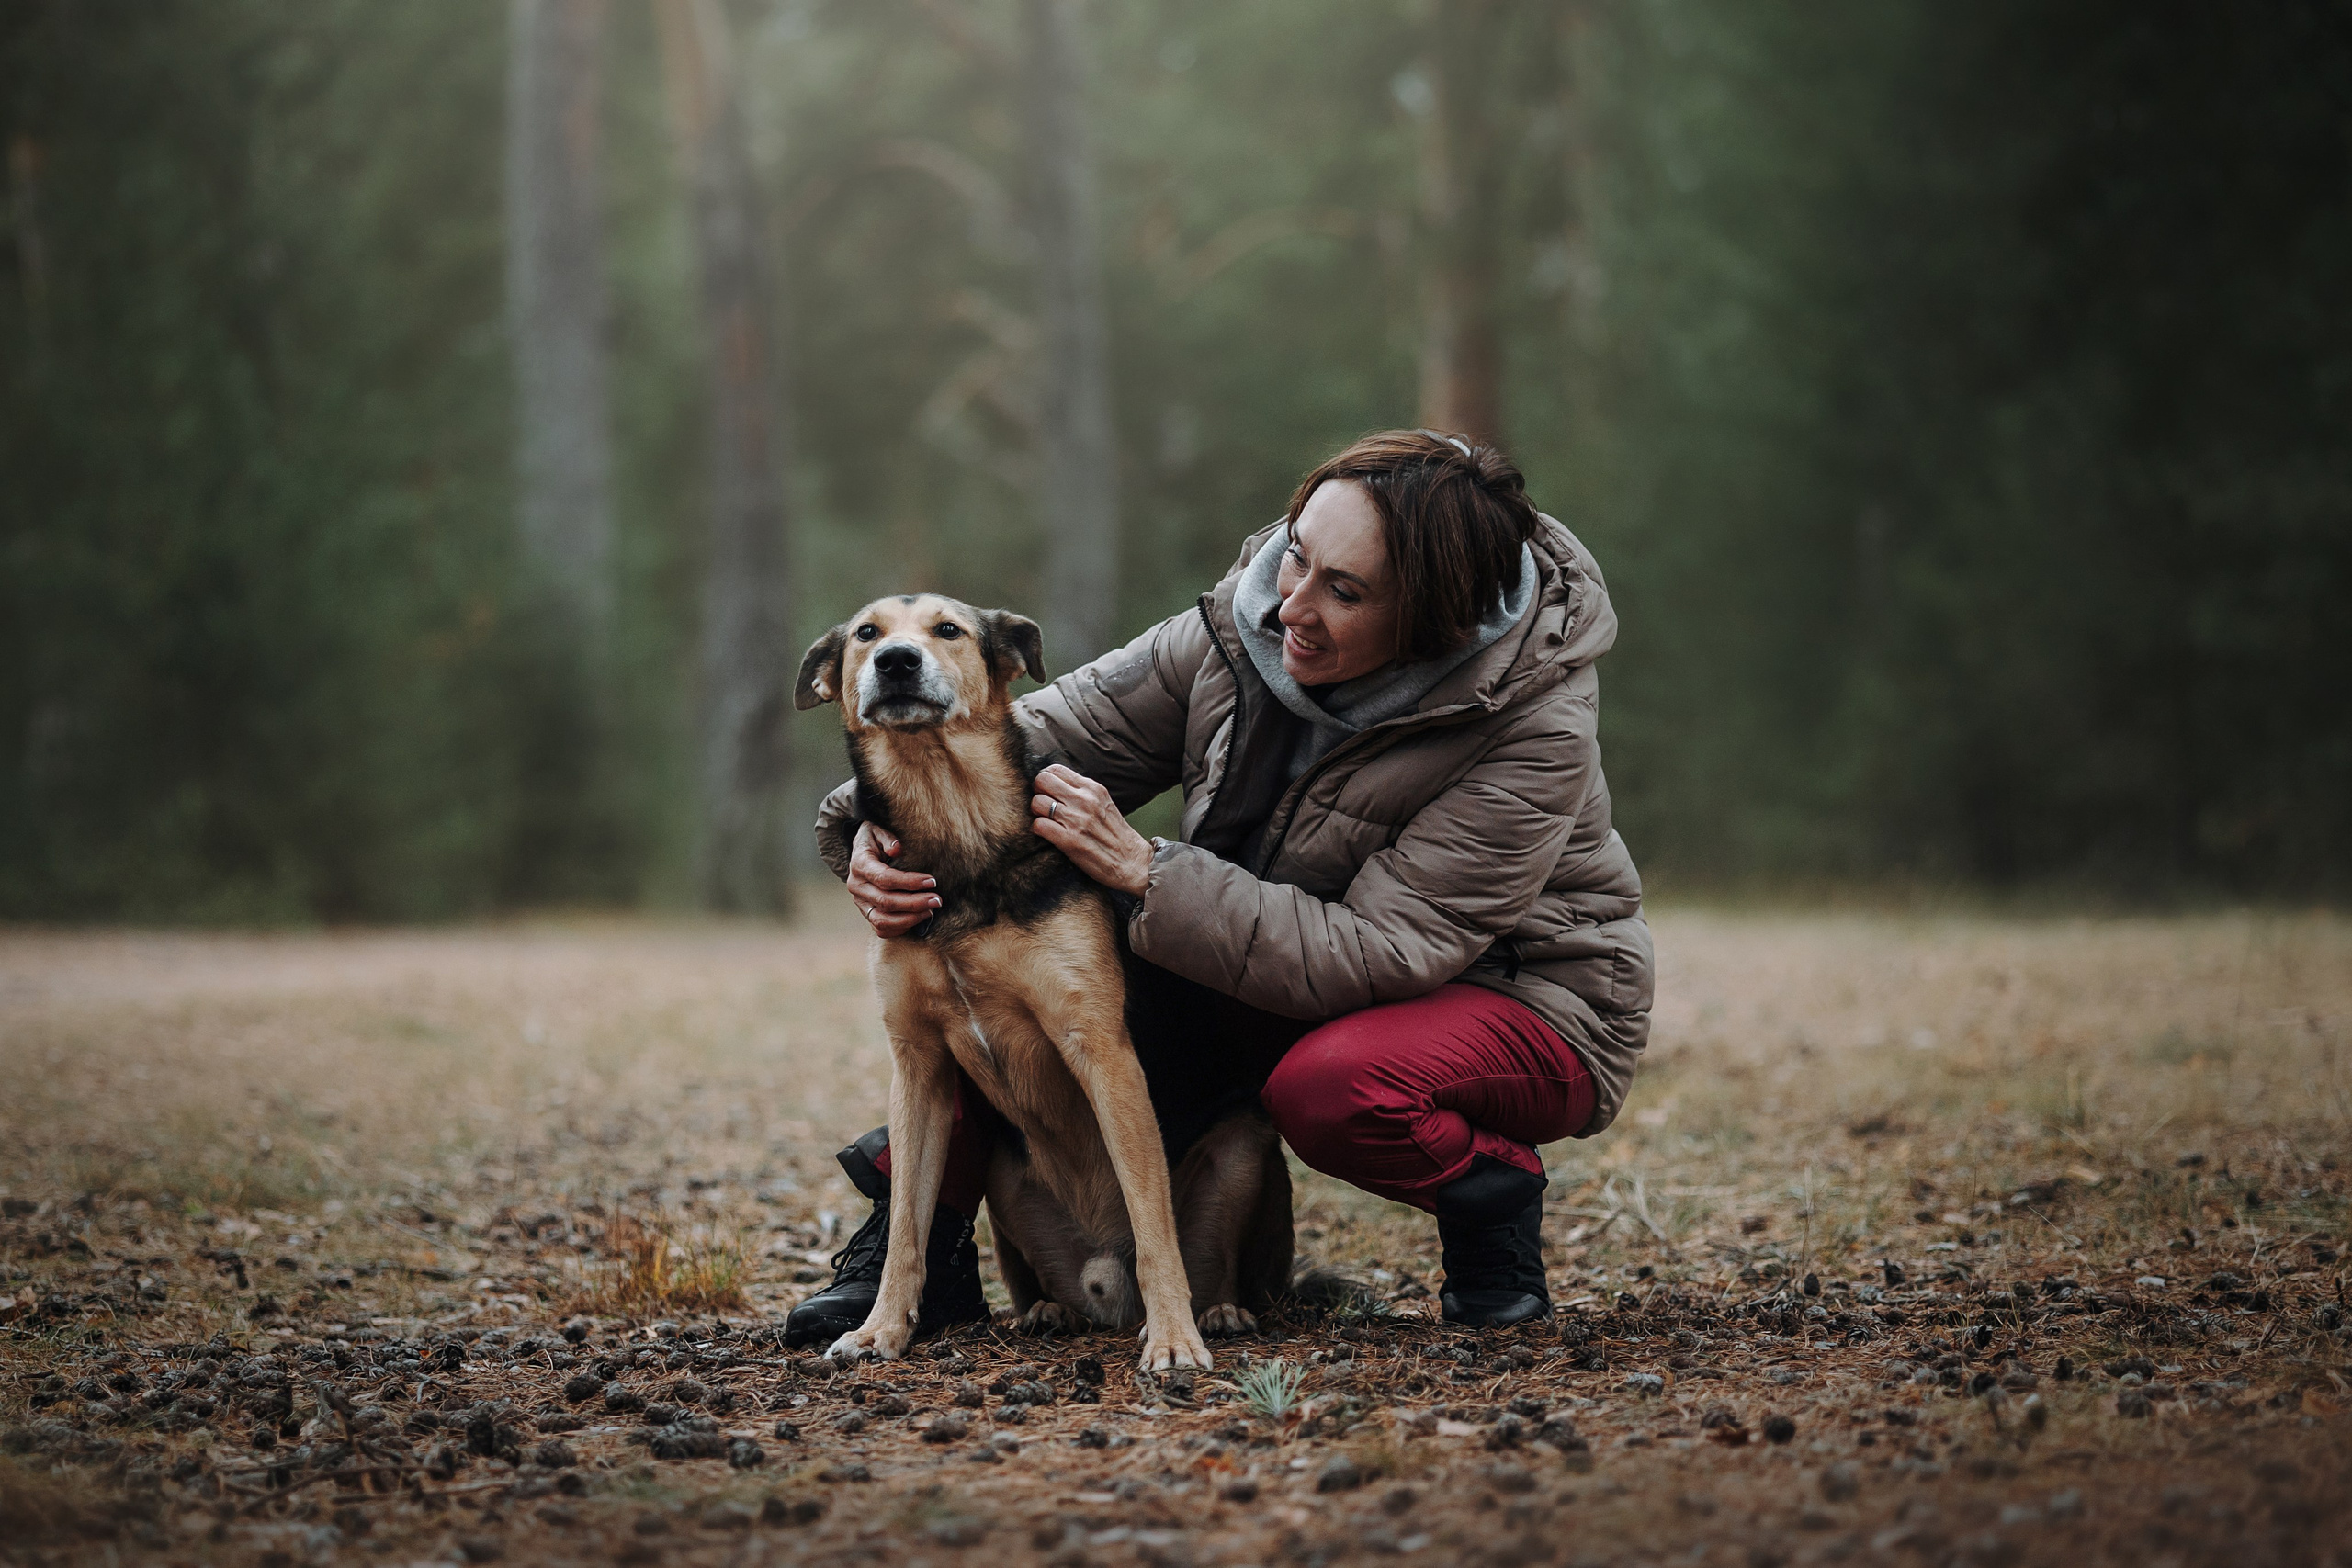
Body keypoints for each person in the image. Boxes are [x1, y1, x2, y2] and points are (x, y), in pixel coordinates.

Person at [786, 430, 1651, 1345]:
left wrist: (1149, 874)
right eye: (1298, 557)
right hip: (1273, 957)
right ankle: (925, 1252)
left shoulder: (1531, 726)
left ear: (1434, 626)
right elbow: (1050, 726)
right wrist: (870, 823)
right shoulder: (1238, 625)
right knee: (991, 963)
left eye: (1343, 592)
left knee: (1336, 1089)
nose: (1291, 607)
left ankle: (1492, 1206)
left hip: (1514, 997)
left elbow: (1384, 951)